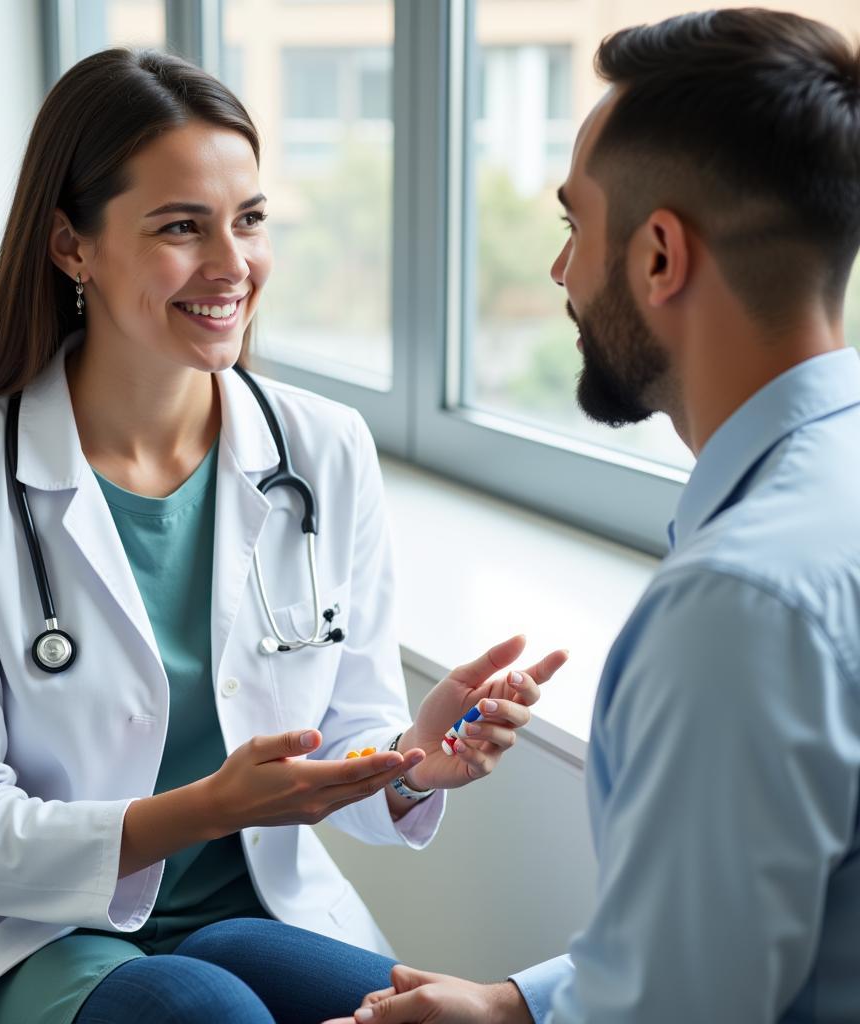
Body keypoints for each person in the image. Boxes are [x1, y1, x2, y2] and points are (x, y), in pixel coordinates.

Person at [0, 49, 568, 1024]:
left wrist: (405, 759)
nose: (233, 266)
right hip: (28, 934)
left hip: (249, 909)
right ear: (71, 245)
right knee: (202, 1006)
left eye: (251, 219)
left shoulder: (321, 448)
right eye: (182, 227)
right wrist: (208, 807)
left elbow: (337, 740)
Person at [326, 8, 860, 1024]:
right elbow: (717, 950)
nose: (561, 275)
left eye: (574, 227)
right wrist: (515, 1006)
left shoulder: (740, 605)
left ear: (659, 256)